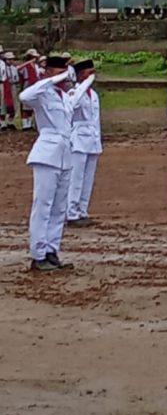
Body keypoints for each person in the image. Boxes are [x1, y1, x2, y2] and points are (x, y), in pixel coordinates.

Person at [20, 55, 93, 272]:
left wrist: (87, 80)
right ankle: (38, 254)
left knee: (59, 207)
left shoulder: (63, 96)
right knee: (43, 205)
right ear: (49, 72)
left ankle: (52, 250)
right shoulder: (42, 93)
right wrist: (51, 78)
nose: (64, 76)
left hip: (65, 155)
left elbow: (77, 94)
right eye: (59, 71)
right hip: (47, 153)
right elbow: (24, 95)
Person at [66, 59, 102, 227]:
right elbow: (72, 105)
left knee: (88, 178)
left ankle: (82, 210)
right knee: (76, 177)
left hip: (92, 139)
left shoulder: (93, 94)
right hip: (78, 139)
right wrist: (83, 85)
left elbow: (96, 120)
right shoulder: (75, 92)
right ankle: (71, 212)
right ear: (80, 75)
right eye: (89, 72)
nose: (92, 75)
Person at [17, 50, 41, 131]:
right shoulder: (25, 66)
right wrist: (28, 62)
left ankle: (30, 123)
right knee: (25, 104)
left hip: (35, 84)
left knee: (32, 104)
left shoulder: (36, 66)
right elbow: (18, 69)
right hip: (27, 83)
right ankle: (25, 124)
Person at [1, 50, 18, 131]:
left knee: (14, 103)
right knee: (3, 103)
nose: (11, 61)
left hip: (12, 86)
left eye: (12, 59)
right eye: (9, 59)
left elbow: (17, 78)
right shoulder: (2, 67)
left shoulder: (14, 68)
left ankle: (11, 122)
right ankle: (2, 123)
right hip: (4, 85)